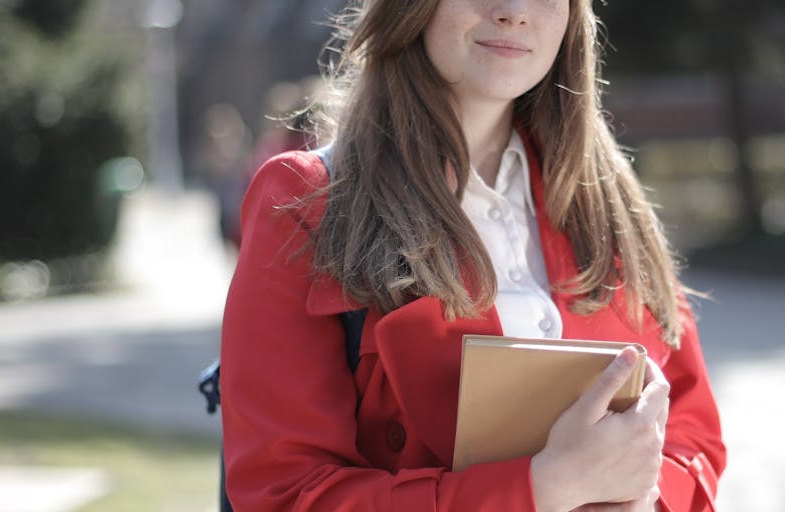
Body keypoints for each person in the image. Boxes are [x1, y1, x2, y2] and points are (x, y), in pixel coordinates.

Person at [220, 0, 726, 510]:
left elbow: (693, 436)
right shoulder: (307, 199)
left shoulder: (608, 199)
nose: (514, 10)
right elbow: (284, 494)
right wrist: (542, 489)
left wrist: (643, 493)